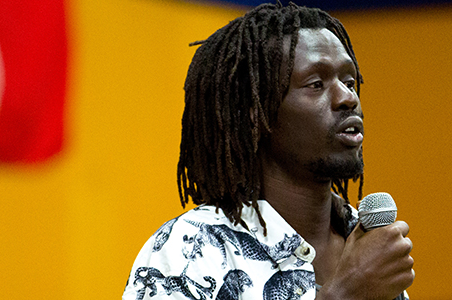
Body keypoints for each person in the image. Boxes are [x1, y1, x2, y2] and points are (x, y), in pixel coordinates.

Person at [122, 3, 414, 300]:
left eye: (349, 82)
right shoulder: (191, 250)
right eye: (316, 84)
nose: (347, 98)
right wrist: (345, 294)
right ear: (255, 114)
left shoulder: (369, 243)